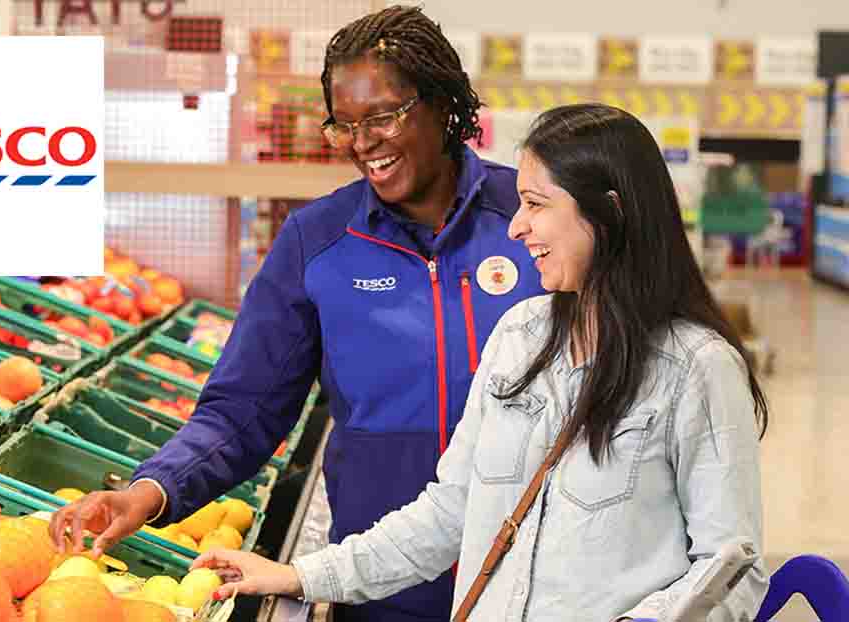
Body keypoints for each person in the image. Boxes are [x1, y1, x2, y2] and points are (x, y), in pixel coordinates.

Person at [49, 6, 545, 621]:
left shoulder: (532, 217)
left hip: (541, 584)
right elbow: (244, 409)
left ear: (443, 104)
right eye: (345, 125)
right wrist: (149, 492)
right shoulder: (319, 243)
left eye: (383, 117)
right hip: (383, 594)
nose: (363, 143)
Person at [189, 104, 771, 622]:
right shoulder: (520, 335)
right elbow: (449, 512)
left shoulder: (696, 369)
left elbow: (731, 572)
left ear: (609, 212)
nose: (517, 227)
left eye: (536, 204)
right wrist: (305, 575)